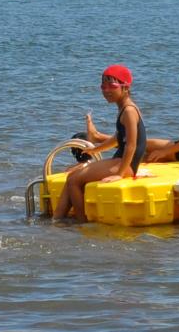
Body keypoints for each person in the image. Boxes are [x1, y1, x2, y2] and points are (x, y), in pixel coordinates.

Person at [53, 65, 147, 221]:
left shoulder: (129, 111)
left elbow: (132, 145)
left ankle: (82, 222)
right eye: (103, 86)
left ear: (125, 87)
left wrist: (119, 174)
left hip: (125, 165)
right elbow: (117, 138)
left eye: (112, 86)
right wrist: (95, 150)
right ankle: (57, 220)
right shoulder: (124, 108)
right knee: (73, 176)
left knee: (74, 180)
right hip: (120, 161)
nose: (106, 90)